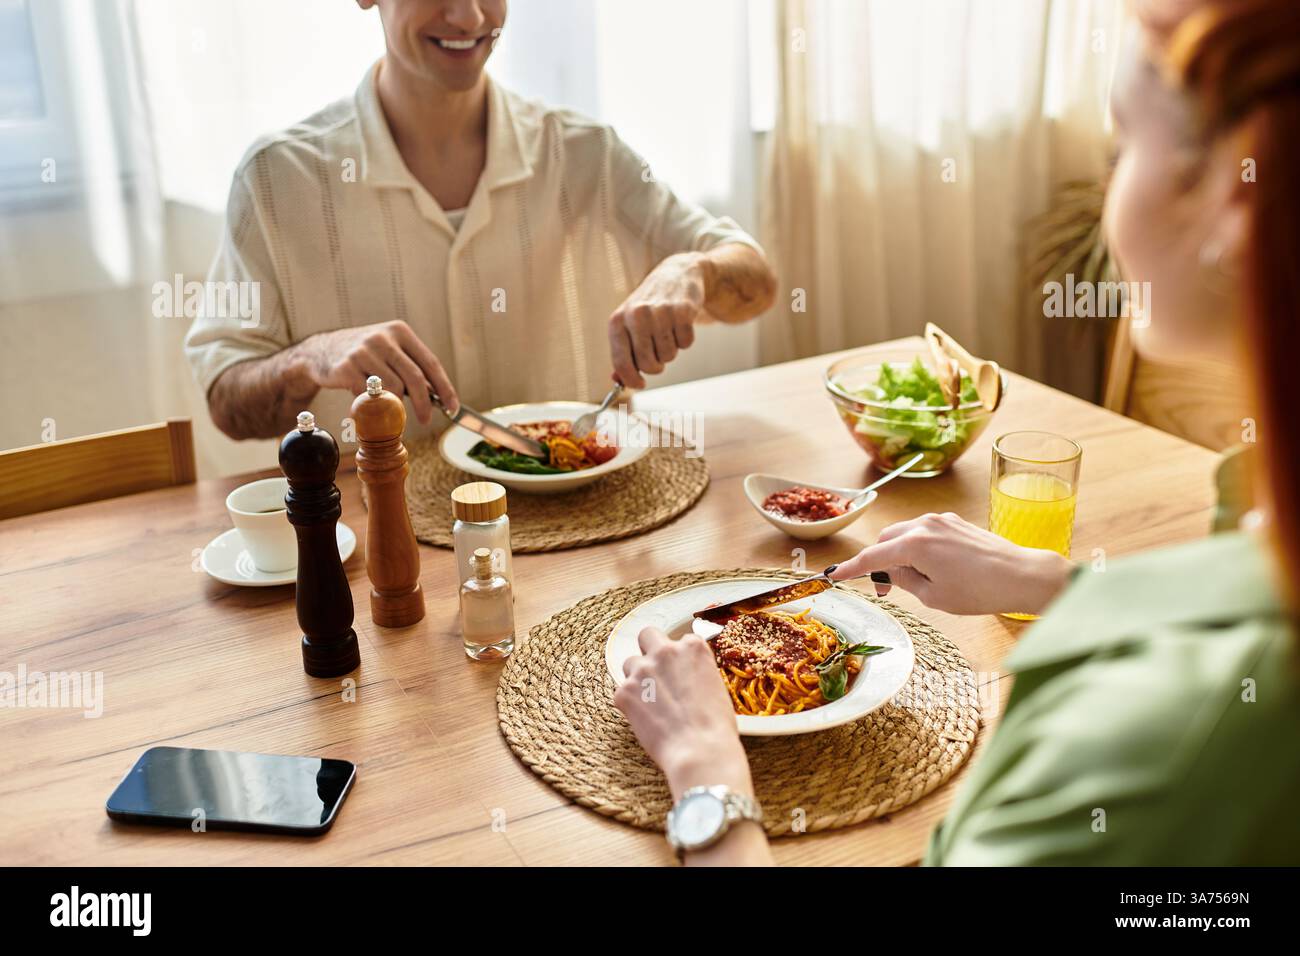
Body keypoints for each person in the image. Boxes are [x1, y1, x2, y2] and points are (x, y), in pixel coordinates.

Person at [615, 0, 1300, 866]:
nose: (1104, 194)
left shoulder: (1166, 744)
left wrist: (706, 777)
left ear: (1235, 209)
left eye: (1122, 149)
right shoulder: (1250, 516)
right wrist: (1060, 585)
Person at [185, 0, 776, 441]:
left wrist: (693, 269)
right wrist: (308, 357)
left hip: (590, 532)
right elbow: (226, 400)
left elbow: (756, 286)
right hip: (382, 546)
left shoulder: (583, 152)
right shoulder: (277, 179)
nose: (469, 16)